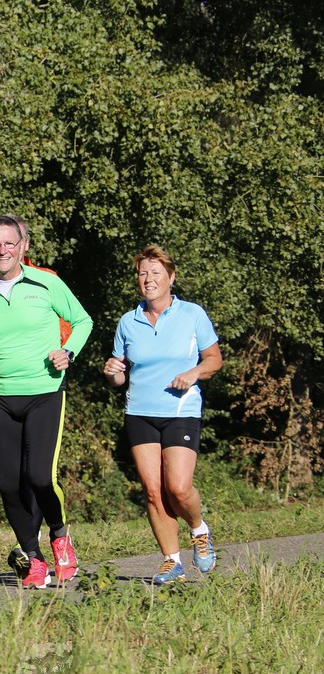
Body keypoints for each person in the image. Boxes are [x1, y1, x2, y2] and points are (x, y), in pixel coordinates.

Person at [0, 215, 93, 589]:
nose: (2, 250)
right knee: (9, 484)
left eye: (9, 243)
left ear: (23, 246)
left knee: (40, 477)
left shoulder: (46, 282)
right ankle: (33, 558)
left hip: (45, 391)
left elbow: (83, 321)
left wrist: (68, 352)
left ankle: (60, 535)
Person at [103, 245, 222, 584]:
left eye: (155, 273)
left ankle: (198, 529)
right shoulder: (128, 322)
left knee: (178, 488)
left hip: (181, 410)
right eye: (143, 273)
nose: (148, 279)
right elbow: (119, 377)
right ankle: (172, 561)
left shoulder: (192, 314)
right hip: (139, 412)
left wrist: (194, 373)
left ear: (171, 278)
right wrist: (112, 372)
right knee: (154, 492)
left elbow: (214, 359)